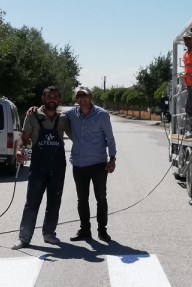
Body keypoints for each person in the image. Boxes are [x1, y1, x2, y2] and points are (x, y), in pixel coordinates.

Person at [13, 87, 71, 249]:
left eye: (55, 97)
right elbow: (24, 139)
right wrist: (18, 150)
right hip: (38, 165)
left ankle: (49, 234)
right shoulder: (32, 115)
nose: (52, 99)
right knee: (32, 201)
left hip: (58, 165)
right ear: (43, 98)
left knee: (54, 201)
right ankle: (24, 238)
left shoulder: (65, 118)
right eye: (49, 96)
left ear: (59, 100)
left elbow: (76, 136)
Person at [63, 86, 117, 242]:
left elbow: (110, 138)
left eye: (84, 95)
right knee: (82, 199)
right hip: (78, 164)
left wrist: (112, 158)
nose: (82, 98)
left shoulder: (102, 115)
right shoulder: (71, 113)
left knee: (101, 198)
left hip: (98, 164)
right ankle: (85, 230)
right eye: (78, 96)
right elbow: (53, 114)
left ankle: (102, 231)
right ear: (75, 99)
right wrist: (36, 108)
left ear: (91, 97)